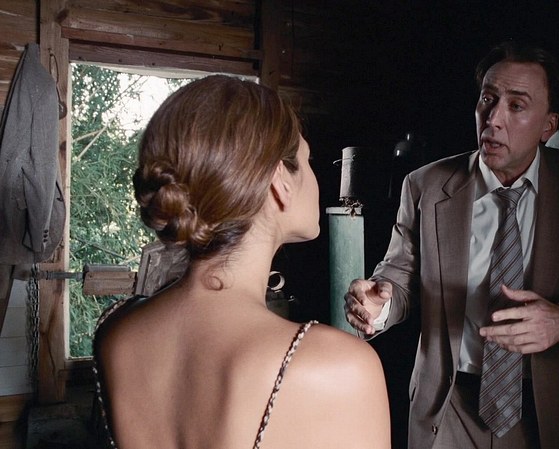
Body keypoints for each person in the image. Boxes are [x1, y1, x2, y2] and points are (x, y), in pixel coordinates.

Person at [344, 41, 559, 449]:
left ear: (549, 125)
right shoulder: (426, 185)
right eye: (488, 99)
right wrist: (380, 304)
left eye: (516, 106)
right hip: (449, 408)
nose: (493, 119)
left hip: (548, 412)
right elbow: (399, 276)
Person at [93, 75, 390, 449]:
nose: (315, 176)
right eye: (307, 159)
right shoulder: (343, 368)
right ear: (280, 181)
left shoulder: (116, 331)